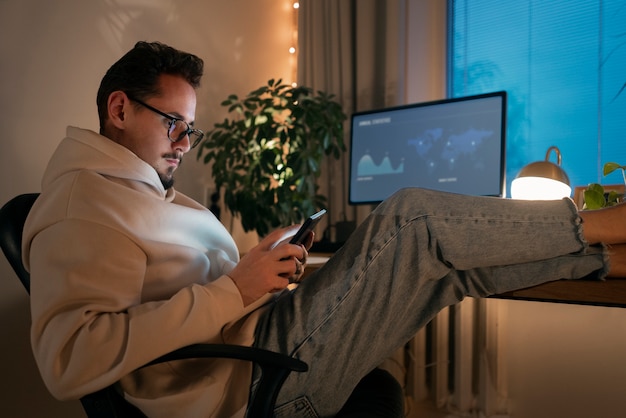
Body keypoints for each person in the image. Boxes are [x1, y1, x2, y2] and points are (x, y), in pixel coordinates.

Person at [22, 41, 626, 418]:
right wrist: (235, 290)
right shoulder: (82, 203)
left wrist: (255, 269)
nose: (185, 144)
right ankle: (603, 224)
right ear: (120, 109)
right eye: (174, 124)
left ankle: (604, 259)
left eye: (190, 129)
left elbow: (189, 288)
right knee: (412, 217)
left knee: (442, 272)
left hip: (259, 344)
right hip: (254, 385)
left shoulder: (136, 190)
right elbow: (69, 361)